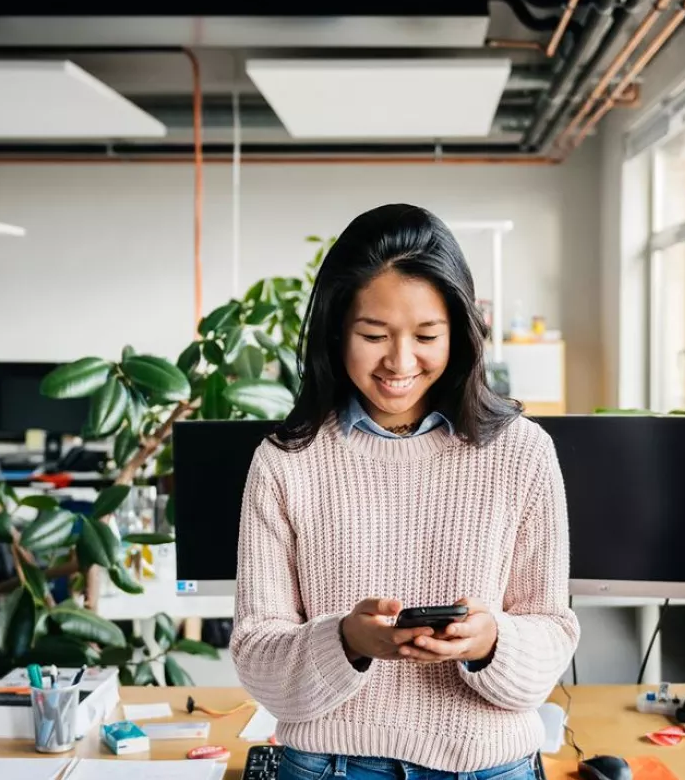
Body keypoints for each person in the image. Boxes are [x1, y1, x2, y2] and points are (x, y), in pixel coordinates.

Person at [229, 204, 580, 780]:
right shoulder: (284, 462)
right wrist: (347, 640)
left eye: (426, 335)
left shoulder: (522, 452)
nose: (399, 361)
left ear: (460, 334)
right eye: (373, 334)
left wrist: (490, 640)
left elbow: (551, 630)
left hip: (489, 765)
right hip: (328, 765)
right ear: (337, 331)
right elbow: (256, 652)